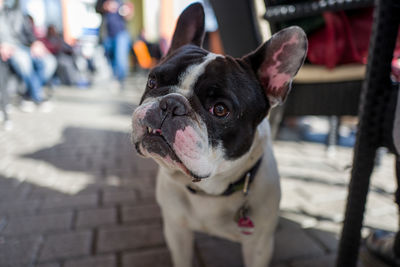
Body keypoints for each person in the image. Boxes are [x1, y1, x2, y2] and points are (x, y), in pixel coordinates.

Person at [0, 0, 56, 112]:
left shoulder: (15, 10)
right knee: (24, 61)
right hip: (9, 48)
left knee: (49, 62)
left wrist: (35, 42)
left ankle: (28, 95)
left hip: (23, 45)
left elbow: (27, 31)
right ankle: (37, 98)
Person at [95, 0, 133, 90]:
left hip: (121, 33)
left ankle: (121, 80)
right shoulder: (102, 1)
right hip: (107, 34)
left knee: (121, 57)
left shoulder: (123, 1)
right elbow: (96, 8)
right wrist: (105, 6)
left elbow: (130, 14)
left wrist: (128, 12)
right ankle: (115, 77)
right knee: (110, 56)